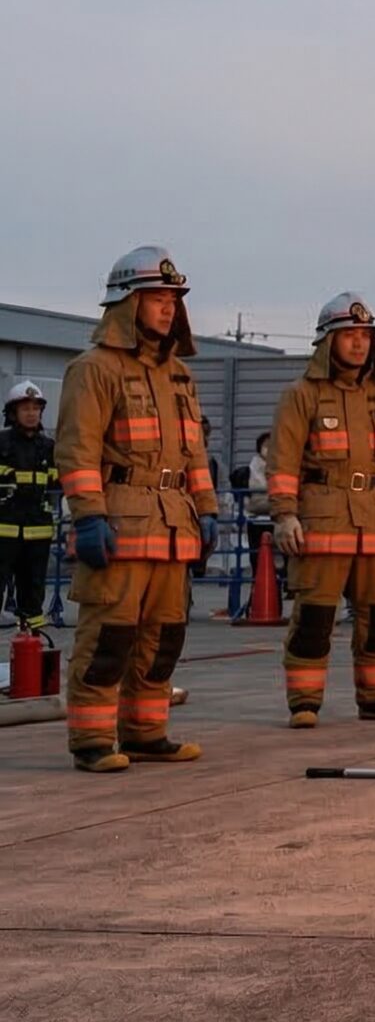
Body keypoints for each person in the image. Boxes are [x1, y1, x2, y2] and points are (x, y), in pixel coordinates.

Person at [54, 247, 218, 771]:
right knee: (109, 637)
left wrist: (207, 509)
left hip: (173, 525)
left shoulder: (179, 376)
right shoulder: (93, 369)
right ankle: (92, 741)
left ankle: (147, 731)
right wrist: (88, 515)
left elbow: (194, 452)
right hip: (119, 522)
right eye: (157, 298)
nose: (169, 308)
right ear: (127, 304)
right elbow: (77, 450)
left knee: (164, 636)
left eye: (173, 299)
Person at [265, 295, 375, 725]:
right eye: (349, 336)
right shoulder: (301, 396)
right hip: (322, 521)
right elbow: (282, 462)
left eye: (364, 336)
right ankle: (304, 702)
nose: (358, 344)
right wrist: (284, 515)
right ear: (327, 342)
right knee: (315, 618)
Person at [2, 381, 58, 630]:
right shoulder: (1, 444)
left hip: (38, 533)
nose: (32, 413)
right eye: (25, 408)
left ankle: (31, 653)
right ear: (13, 413)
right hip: (3, 533)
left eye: (36, 408)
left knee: (34, 596)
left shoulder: (49, 447)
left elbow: (59, 484)